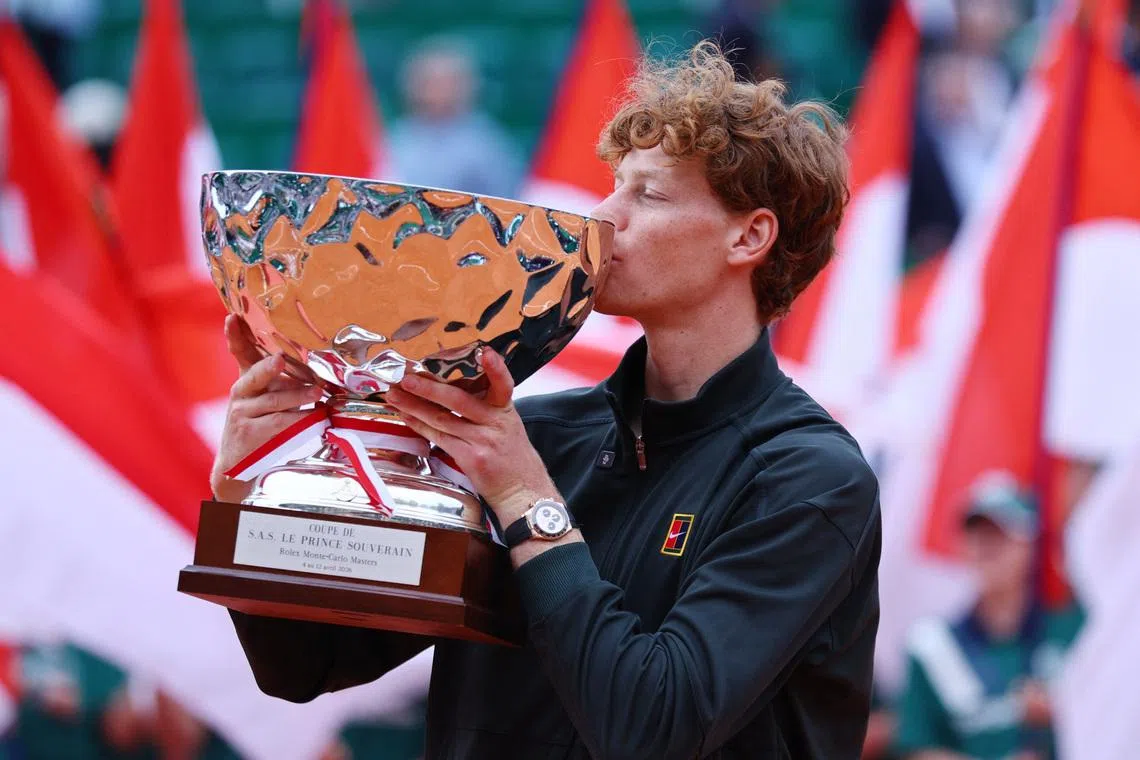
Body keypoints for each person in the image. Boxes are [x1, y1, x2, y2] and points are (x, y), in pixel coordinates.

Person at [216, 42, 881, 759]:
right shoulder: (540, 436)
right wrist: (248, 498)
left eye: (647, 195)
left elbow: (652, 728)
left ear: (748, 235)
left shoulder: (808, 480)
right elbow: (304, 666)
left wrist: (527, 499)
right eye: (613, 184)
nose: (602, 215)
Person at [893, 471, 1085, 760]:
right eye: (976, 534)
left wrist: (1062, 712)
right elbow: (917, 746)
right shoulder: (931, 643)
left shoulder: (1074, 631)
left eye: (1000, 535)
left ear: (1030, 545)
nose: (985, 547)